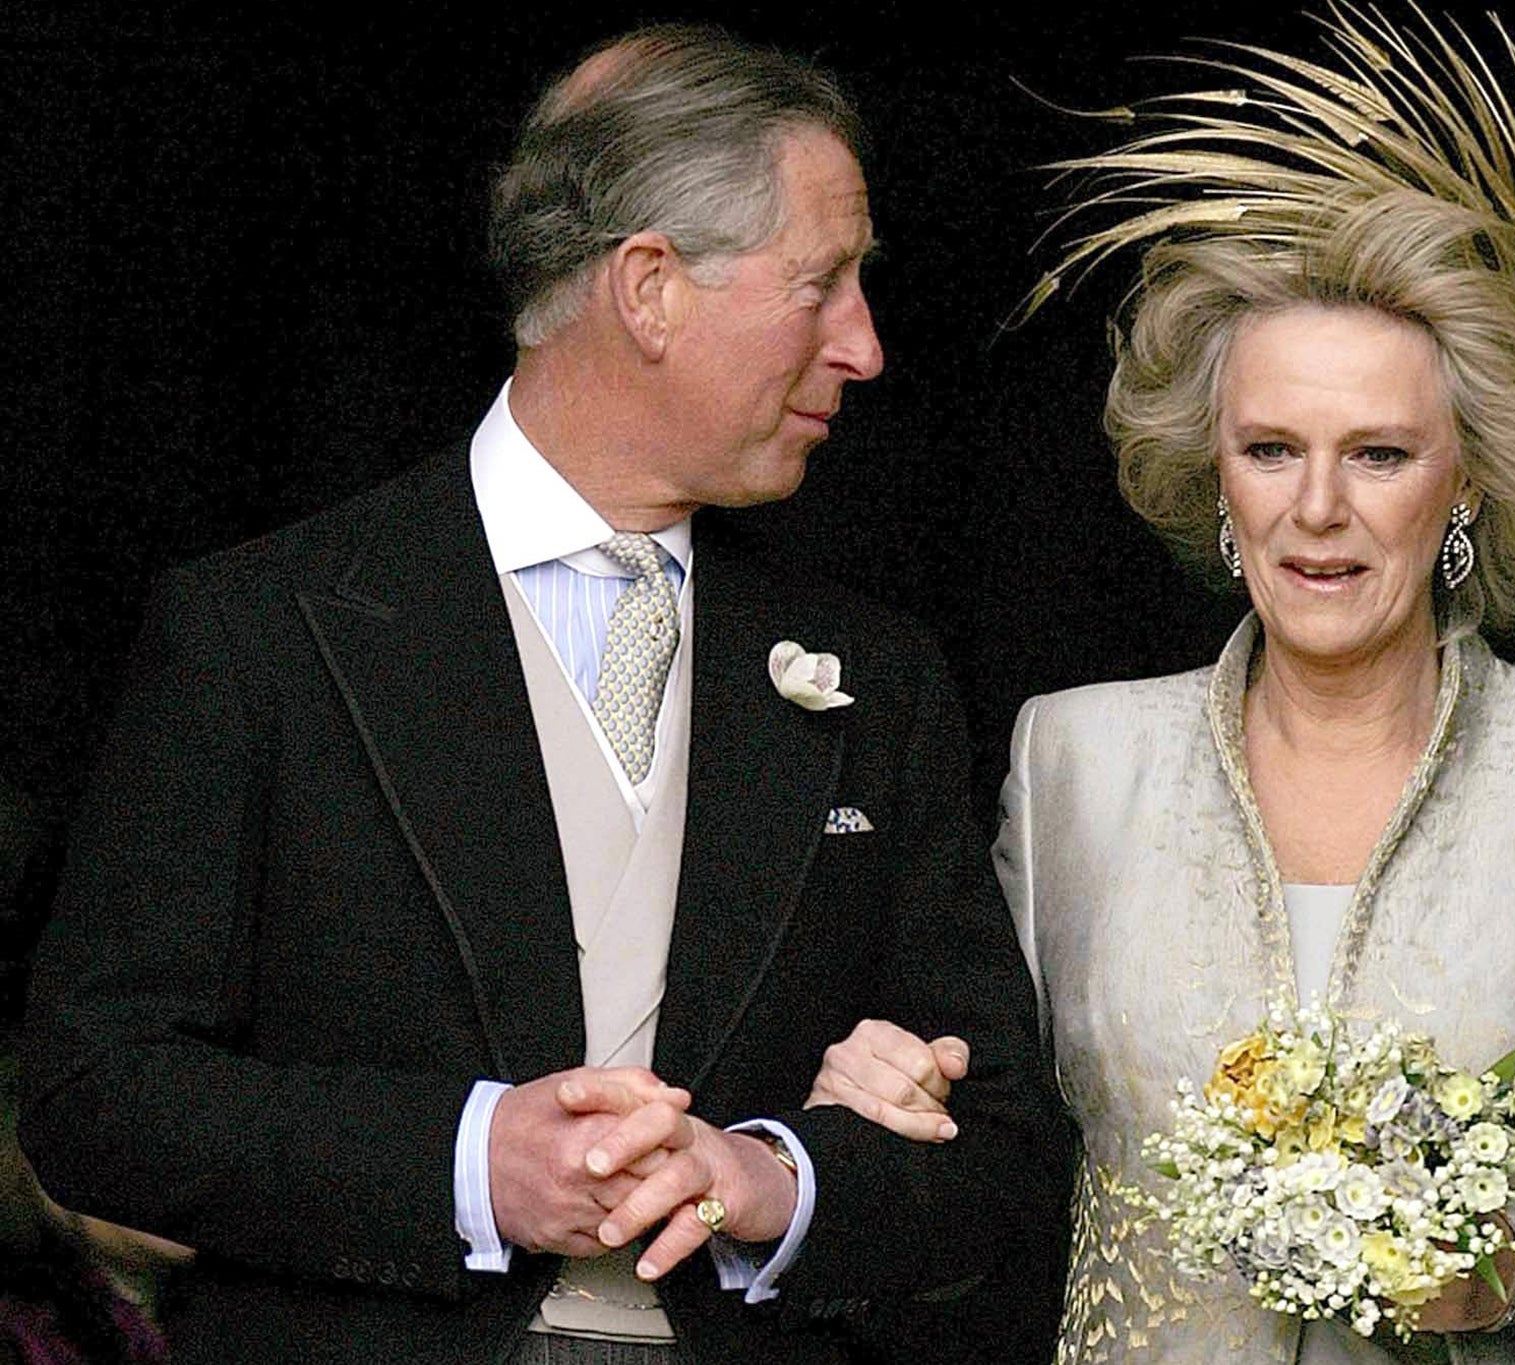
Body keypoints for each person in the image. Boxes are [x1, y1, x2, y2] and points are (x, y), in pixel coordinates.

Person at [20, 25, 1067, 1365]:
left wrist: (779, 1180)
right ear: (650, 290)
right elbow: (94, 1089)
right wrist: (468, 1162)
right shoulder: (262, 631)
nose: (864, 344)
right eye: (823, 283)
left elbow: (1002, 1148)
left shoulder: (880, 675)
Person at [804, 6, 1515, 1362]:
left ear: (1467, 484)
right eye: (1272, 449)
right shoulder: (1076, 762)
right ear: (1215, 479)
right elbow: (985, 1150)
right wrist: (888, 1094)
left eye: (1379, 454)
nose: (1317, 509)